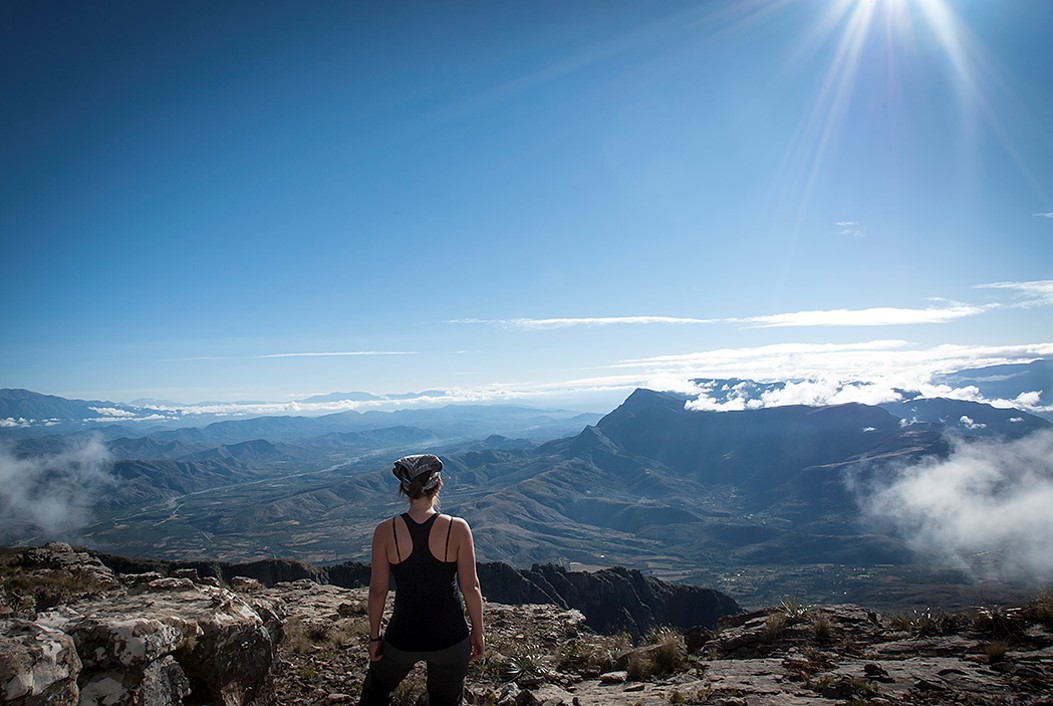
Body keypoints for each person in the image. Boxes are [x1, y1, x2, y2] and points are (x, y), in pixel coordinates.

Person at [359, 454, 485, 706]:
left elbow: (377, 591)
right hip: (451, 637)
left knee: (376, 691)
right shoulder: (457, 528)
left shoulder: (385, 531)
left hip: (402, 637)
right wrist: (478, 632)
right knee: (446, 701)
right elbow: (471, 587)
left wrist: (375, 638)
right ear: (439, 485)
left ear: (404, 489)